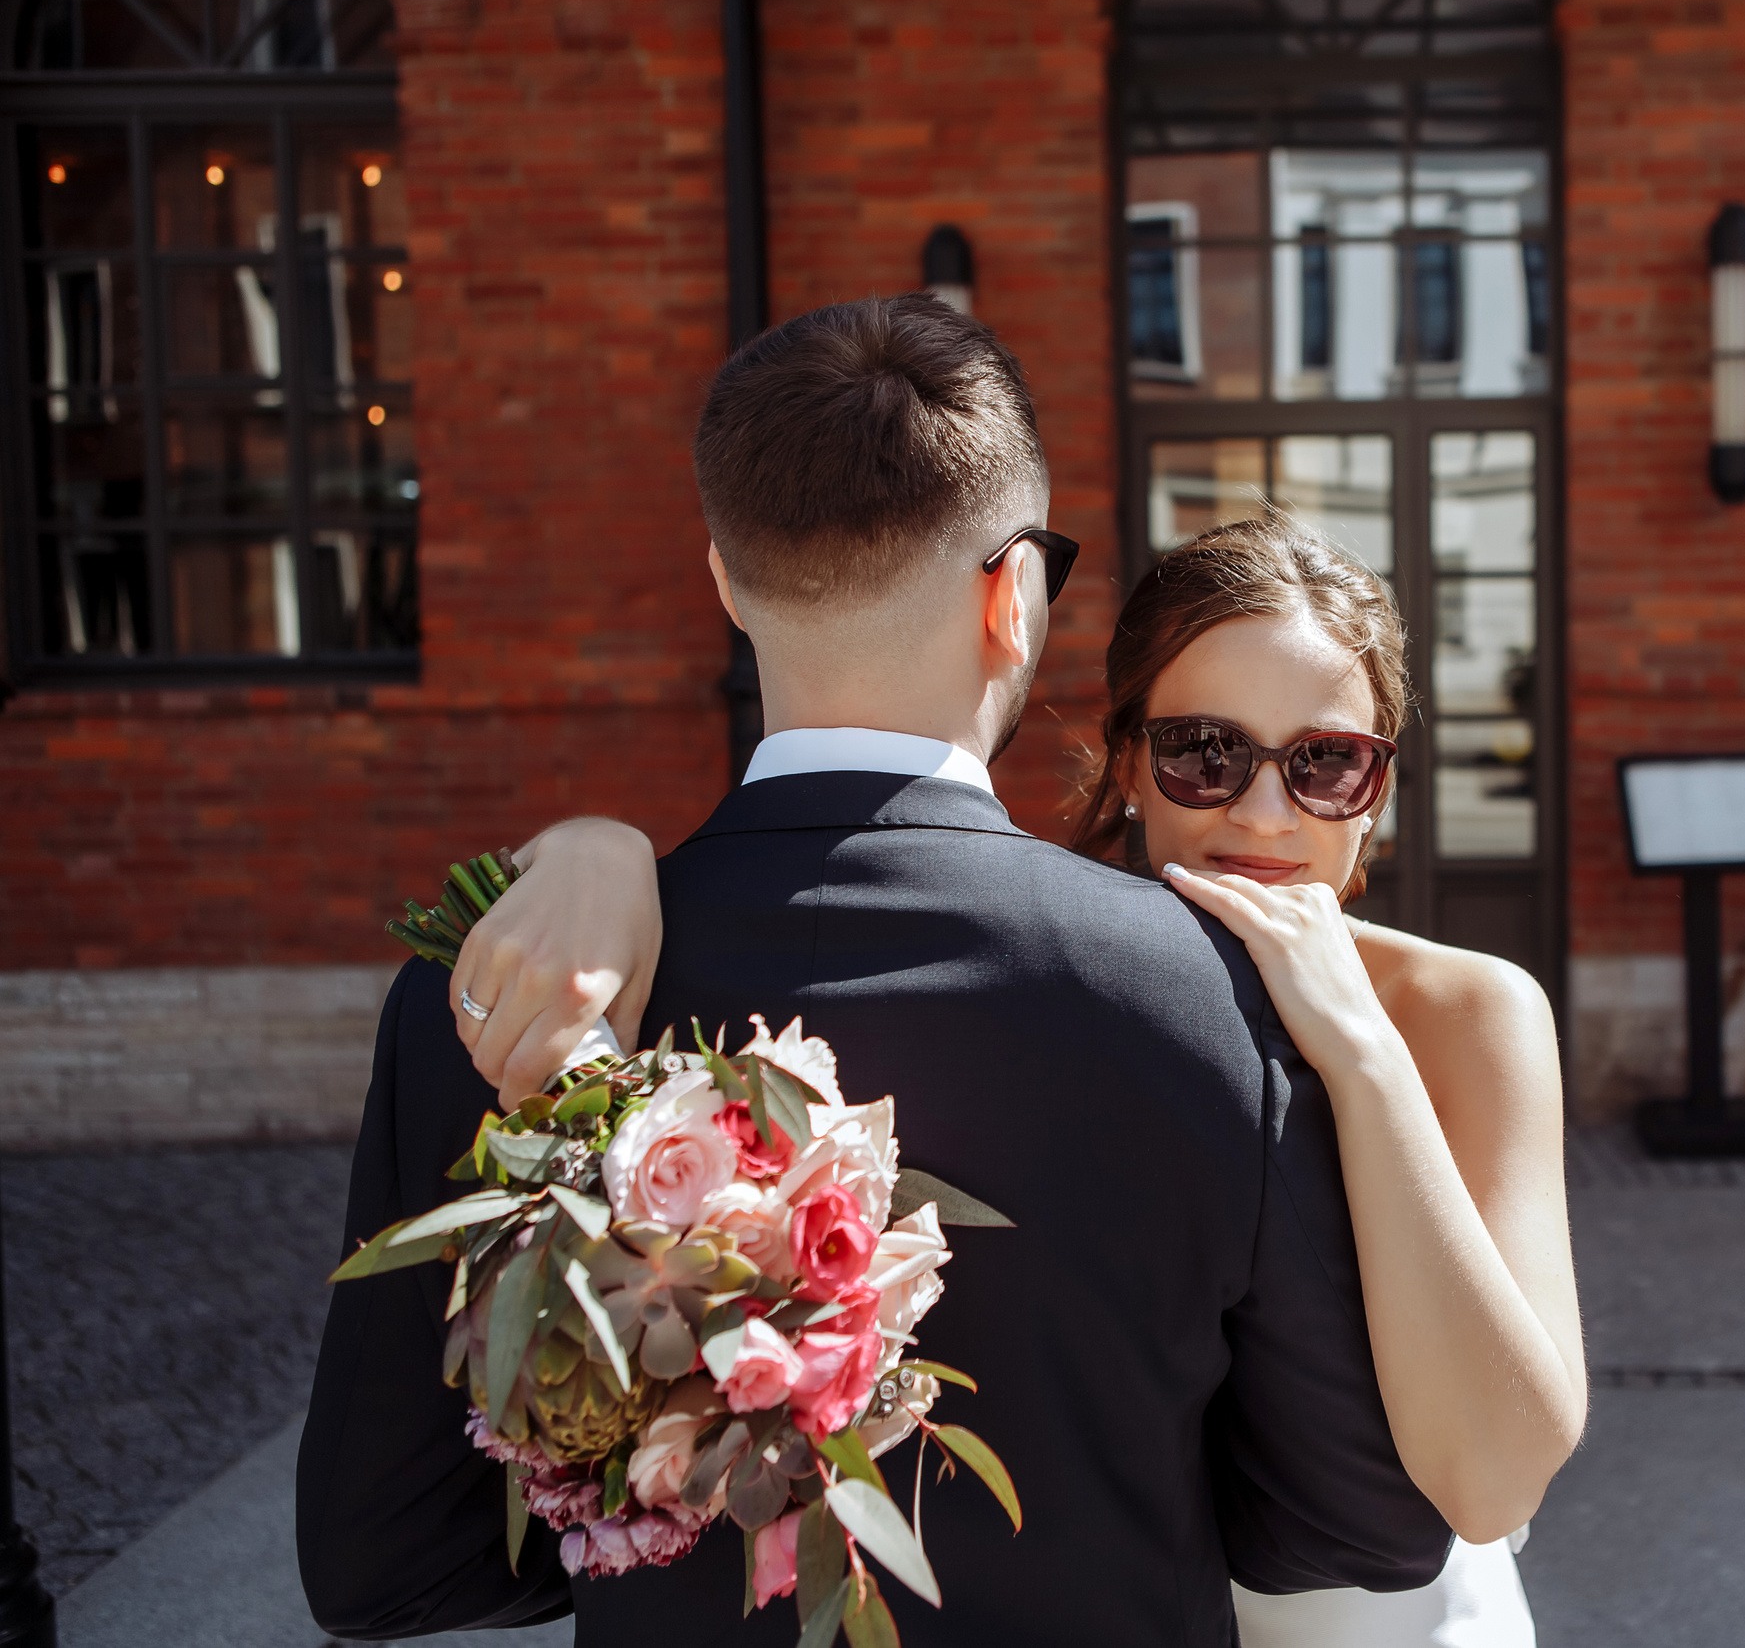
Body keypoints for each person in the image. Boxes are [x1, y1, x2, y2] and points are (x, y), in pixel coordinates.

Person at [297, 296, 1454, 1647]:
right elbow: (1361, 1520)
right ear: (1012, 594)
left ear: (726, 580)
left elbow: (382, 1560)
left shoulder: (511, 988)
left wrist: (655, 1510)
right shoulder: (1213, 990)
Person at [454, 517, 1587, 1647]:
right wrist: (591, 847)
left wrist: (1363, 1054)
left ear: (1377, 784)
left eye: (1325, 762)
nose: (1263, 811)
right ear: (1130, 760)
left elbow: (1493, 1484)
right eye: (1207, 752)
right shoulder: (1064, 983)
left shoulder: (1466, 1012)